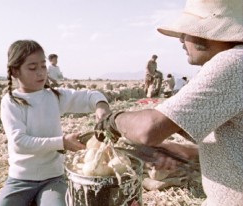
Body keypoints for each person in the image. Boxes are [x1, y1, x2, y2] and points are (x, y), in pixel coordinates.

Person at [95, 0, 243, 205]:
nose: (182, 40)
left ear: (210, 32)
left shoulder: (232, 62)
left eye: (187, 32)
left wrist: (113, 120)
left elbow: (149, 129)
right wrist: (186, 152)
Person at [0, 40, 111, 206]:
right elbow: (20, 142)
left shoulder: (54, 97)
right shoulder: (11, 102)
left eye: (43, 66)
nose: (41, 73)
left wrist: (101, 107)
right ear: (15, 71)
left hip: (53, 179)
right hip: (20, 180)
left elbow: (90, 96)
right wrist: (62, 142)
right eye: (33, 68)